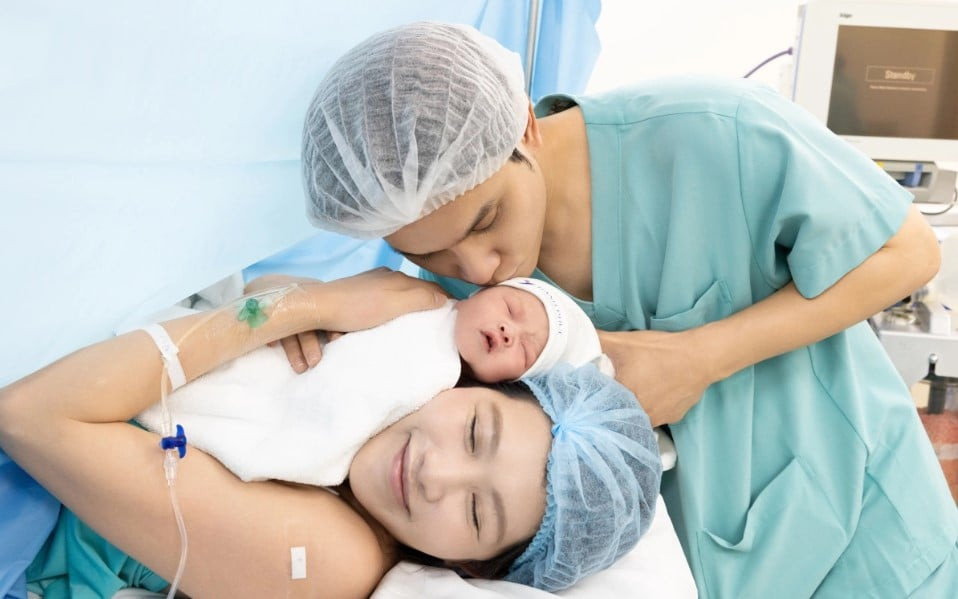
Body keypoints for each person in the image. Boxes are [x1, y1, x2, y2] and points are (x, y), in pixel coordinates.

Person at [300, 21, 958, 597]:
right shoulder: (453, 300)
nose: (476, 269)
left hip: (871, 546)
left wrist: (701, 356)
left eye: (487, 219)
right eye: (430, 252)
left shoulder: (712, 134)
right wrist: (293, 314)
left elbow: (908, 252)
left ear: (524, 125)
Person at [0, 269, 662, 598]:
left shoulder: (333, 557)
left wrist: (308, 305)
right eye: (473, 432)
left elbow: (31, 414)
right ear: (467, 384)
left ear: (474, 566)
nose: (436, 474)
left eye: (476, 511)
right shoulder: (363, 404)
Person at [134, 275, 609, 487]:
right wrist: (295, 305)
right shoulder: (412, 295)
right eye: (512, 309)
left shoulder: (445, 400)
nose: (508, 332)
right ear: (486, 291)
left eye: (524, 350)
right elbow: (288, 291)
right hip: (270, 355)